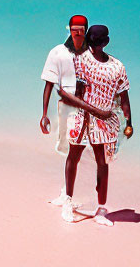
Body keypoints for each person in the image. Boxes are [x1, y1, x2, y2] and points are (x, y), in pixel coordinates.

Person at [57, 24, 133, 226]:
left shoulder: (117, 67)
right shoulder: (82, 61)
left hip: (105, 122)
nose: (95, 47)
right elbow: (72, 95)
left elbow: (124, 97)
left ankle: (101, 209)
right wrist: (97, 111)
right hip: (82, 118)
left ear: (105, 43)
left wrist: (129, 123)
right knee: (75, 156)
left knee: (102, 163)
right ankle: (68, 201)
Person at [39, 14, 102, 205]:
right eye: (73, 31)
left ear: (86, 31)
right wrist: (44, 114)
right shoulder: (58, 53)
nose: (77, 34)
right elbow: (49, 84)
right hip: (66, 108)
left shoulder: (92, 54)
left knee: (83, 151)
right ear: (69, 30)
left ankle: (72, 196)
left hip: (89, 110)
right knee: (68, 150)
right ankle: (66, 192)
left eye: (80, 31)